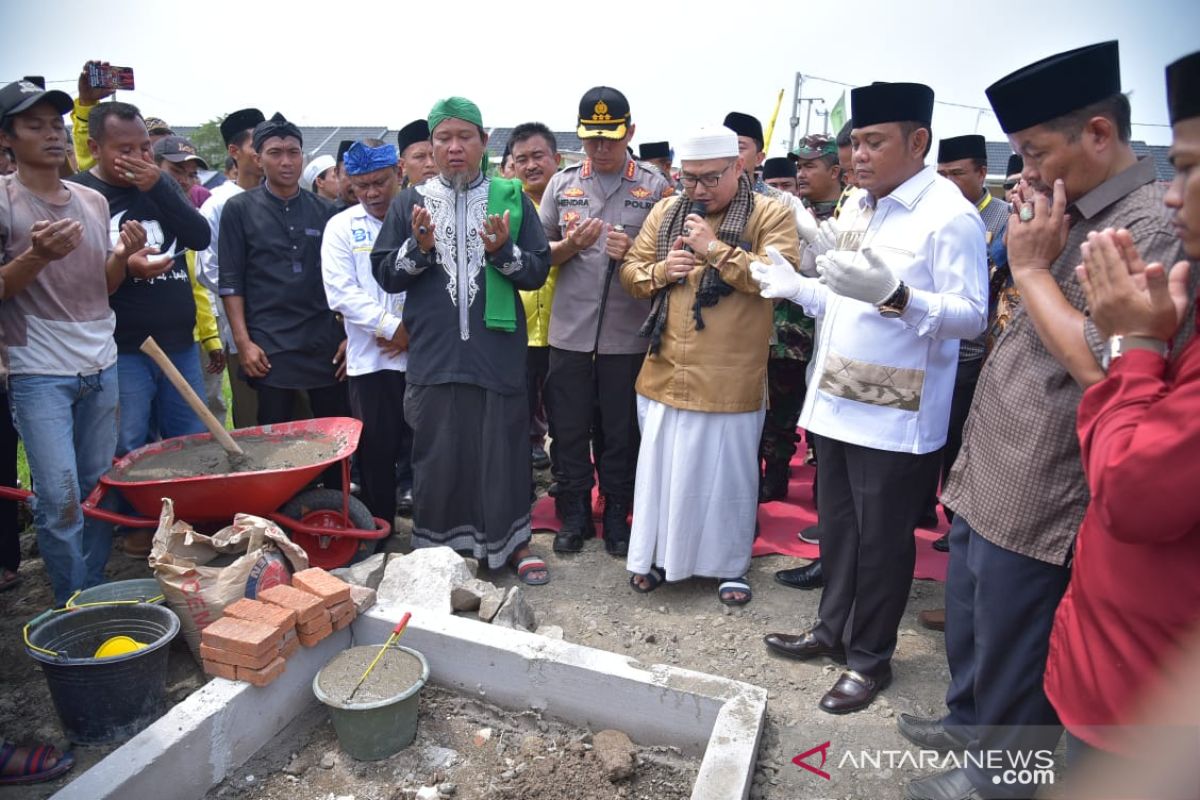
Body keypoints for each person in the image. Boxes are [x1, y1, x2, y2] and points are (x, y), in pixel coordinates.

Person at [902, 42, 1191, 800]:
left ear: (1098, 134)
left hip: (1045, 477)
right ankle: (967, 730)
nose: (1023, 171)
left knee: (1014, 641)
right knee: (969, 621)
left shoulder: (1145, 231)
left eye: (1035, 151)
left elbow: (1103, 361)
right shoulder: (1062, 207)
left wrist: (1031, 268)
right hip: (994, 457)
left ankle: (998, 779)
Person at [755, 81, 987, 715]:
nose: (858, 156)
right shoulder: (859, 206)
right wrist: (796, 287)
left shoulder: (949, 215)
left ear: (918, 142)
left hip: (895, 411)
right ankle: (830, 632)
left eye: (874, 142)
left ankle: (869, 658)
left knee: (882, 543)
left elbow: (972, 316)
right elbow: (840, 294)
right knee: (839, 531)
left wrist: (900, 297)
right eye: (855, 142)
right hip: (835, 398)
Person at [1042, 48, 1200, 778]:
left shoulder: (1143, 235)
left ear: (1099, 135)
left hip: (1153, 700)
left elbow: (1136, 488)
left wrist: (1134, 344)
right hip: (1123, 659)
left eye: (1193, 170)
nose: (1174, 195)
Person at [371, 97, 551, 584]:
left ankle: (514, 545)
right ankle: (437, 551)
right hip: (435, 352)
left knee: (504, 449)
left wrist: (502, 251)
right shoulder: (410, 203)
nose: (454, 148)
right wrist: (419, 248)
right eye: (444, 139)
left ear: (484, 141)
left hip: (496, 351)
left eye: (464, 137)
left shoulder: (511, 197)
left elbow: (536, 272)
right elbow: (387, 275)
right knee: (437, 451)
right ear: (430, 147)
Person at [621, 124, 800, 604]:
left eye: (708, 179)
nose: (696, 190)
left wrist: (713, 250)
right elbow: (632, 272)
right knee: (661, 473)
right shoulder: (667, 210)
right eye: (688, 179)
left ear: (739, 167)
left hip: (731, 375)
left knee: (727, 478)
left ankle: (728, 566)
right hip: (664, 369)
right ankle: (657, 556)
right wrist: (662, 271)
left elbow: (776, 280)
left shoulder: (771, 213)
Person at [0, 79, 154, 604]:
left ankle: (91, 589)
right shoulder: (6, 203)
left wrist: (121, 257)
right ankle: (71, 601)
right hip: (38, 369)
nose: (52, 135)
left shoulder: (90, 200)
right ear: (7, 137)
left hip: (100, 362)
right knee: (59, 496)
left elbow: (104, 285)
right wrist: (36, 256)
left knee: (96, 486)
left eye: (57, 125)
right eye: (34, 125)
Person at [539, 86, 672, 557]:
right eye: (592, 138)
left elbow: (670, 260)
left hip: (627, 338)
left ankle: (618, 513)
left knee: (621, 432)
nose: (600, 148)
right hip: (570, 334)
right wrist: (571, 247)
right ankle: (573, 513)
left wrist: (634, 252)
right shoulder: (563, 183)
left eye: (611, 138)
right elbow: (541, 255)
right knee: (569, 428)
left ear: (630, 132)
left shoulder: (655, 187)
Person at [68, 105, 211, 481]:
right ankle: (132, 530)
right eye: (124, 149)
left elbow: (200, 236)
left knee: (191, 440)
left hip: (179, 342)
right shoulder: (81, 194)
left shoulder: (160, 185)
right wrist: (126, 266)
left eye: (145, 148)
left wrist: (160, 187)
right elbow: (77, 276)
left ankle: (188, 521)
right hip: (123, 348)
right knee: (130, 444)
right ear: (95, 147)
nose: (137, 158)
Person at [218, 113, 349, 486]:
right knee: (276, 442)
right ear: (258, 158)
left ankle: (335, 515)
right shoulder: (239, 210)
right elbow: (231, 282)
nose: (286, 161)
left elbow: (345, 281)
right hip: (269, 344)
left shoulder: (327, 212)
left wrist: (347, 337)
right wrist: (243, 343)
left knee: (332, 436)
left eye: (294, 152)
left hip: (323, 341)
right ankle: (281, 522)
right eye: (275, 153)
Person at [924, 134, 1011, 554]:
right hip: (931, 343)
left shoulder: (1005, 217)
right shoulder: (932, 213)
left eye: (956, 173)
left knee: (959, 438)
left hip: (975, 349)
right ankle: (922, 506)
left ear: (981, 173)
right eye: (941, 174)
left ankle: (956, 522)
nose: (947, 181)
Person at [322, 140, 409, 541]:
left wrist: (415, 332)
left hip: (424, 358)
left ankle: (433, 530)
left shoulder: (420, 217)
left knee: (426, 451)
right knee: (376, 453)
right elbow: (341, 292)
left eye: (380, 182)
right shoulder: (342, 227)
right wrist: (393, 328)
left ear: (400, 174)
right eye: (361, 186)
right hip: (371, 362)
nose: (372, 193)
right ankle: (382, 533)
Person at [197, 107, 267, 429]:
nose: (264, 151)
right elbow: (207, 267)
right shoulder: (217, 204)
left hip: (291, 326)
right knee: (252, 411)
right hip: (245, 327)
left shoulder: (282, 196)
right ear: (234, 152)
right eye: (258, 144)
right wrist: (252, 294)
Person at [153, 135, 227, 424]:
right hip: (141, 341)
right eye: (176, 171)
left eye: (191, 174)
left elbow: (197, 285)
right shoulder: (138, 211)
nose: (185, 181)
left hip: (189, 337)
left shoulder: (191, 220)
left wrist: (210, 337)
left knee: (200, 412)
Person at [510, 122, 562, 471]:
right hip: (517, 330)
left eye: (538, 156)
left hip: (566, 330)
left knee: (567, 418)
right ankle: (519, 491)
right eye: (522, 159)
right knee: (517, 416)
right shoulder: (505, 207)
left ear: (556, 158)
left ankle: (565, 484)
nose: (531, 165)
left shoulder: (575, 200)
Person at [396, 119, 437, 188]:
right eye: (419, 156)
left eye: (434, 156)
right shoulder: (398, 198)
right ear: (402, 165)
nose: (430, 164)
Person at [333, 140, 358, 209]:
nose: (356, 181)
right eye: (349, 174)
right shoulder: (326, 214)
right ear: (337, 173)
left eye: (360, 174)